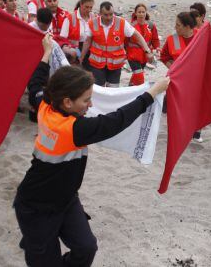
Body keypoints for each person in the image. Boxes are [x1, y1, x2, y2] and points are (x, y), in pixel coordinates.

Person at [14, 34, 170, 266]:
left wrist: (46, 52)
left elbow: (36, 83)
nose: (91, 105)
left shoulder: (45, 104)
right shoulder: (74, 129)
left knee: (87, 248)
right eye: (87, 100)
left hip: (65, 199)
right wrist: (152, 93)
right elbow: (117, 121)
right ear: (68, 102)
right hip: (36, 206)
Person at [79, 1, 153, 87]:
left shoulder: (121, 23)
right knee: (99, 89)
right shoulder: (92, 23)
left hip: (115, 65)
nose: (109, 17)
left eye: (111, 14)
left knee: (113, 90)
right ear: (100, 14)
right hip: (97, 64)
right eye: (106, 15)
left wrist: (147, 51)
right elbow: (87, 41)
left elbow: (137, 35)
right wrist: (81, 57)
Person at [159, 11, 204, 142]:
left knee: (196, 105)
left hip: (196, 80)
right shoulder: (171, 39)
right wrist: (173, 68)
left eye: (178, 25)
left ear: (188, 27)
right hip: (177, 80)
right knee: (177, 106)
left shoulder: (200, 37)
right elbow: (164, 56)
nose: (175, 27)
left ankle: (196, 131)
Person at [125, 3, 160, 86]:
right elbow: (125, 41)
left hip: (145, 56)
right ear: (135, 13)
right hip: (132, 56)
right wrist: (125, 53)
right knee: (139, 75)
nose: (141, 14)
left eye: (143, 12)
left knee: (137, 74)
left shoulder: (151, 25)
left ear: (146, 13)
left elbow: (155, 39)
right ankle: (139, 92)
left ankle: (130, 87)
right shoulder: (131, 26)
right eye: (139, 12)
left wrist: (157, 48)